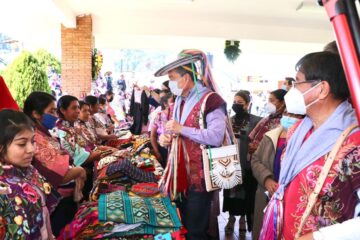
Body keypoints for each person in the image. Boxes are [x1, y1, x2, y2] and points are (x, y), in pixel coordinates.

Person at [260, 51, 360, 240]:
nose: (292, 90)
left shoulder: (354, 142)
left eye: (297, 83)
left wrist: (319, 237)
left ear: (322, 89)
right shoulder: (298, 129)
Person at [155, 60, 227, 239]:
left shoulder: (211, 100)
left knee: (196, 229)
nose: (170, 83)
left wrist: (182, 129)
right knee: (182, 224)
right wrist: (165, 138)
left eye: (172, 78)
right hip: (179, 176)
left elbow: (216, 136)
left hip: (199, 178)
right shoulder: (178, 101)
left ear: (186, 78)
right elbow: (173, 131)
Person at [23, 92, 86, 236]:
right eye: (51, 111)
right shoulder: (35, 136)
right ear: (36, 113)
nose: (55, 116)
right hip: (57, 203)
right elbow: (57, 174)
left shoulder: (44, 133)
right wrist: (79, 171)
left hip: (61, 199)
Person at [0, 109, 60, 239]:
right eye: (22, 144)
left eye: (33, 141)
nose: (32, 149)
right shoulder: (3, 189)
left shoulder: (29, 170)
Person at [251, 110, 304, 240]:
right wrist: (266, 179)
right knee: (263, 229)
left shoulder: (305, 139)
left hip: (290, 197)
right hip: (266, 193)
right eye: (287, 114)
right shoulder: (270, 136)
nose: (289, 118)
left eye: (295, 115)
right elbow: (255, 160)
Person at [223, 90, 262, 239]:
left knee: (246, 195)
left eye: (240, 103)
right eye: (235, 102)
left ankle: (243, 221)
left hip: (247, 166)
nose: (236, 105)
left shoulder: (257, 121)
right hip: (230, 165)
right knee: (231, 195)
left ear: (248, 104)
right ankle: (231, 218)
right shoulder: (229, 121)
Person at [248, 89, 287, 154]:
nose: (268, 103)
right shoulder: (268, 118)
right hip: (256, 155)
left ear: (282, 103)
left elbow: (277, 144)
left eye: (271, 100)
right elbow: (253, 135)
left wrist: (259, 148)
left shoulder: (284, 121)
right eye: (268, 100)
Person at [150, 92, 174, 168]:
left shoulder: (178, 116)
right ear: (165, 104)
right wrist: (157, 152)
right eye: (172, 102)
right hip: (163, 150)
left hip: (176, 149)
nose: (174, 104)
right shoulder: (159, 116)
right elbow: (153, 136)